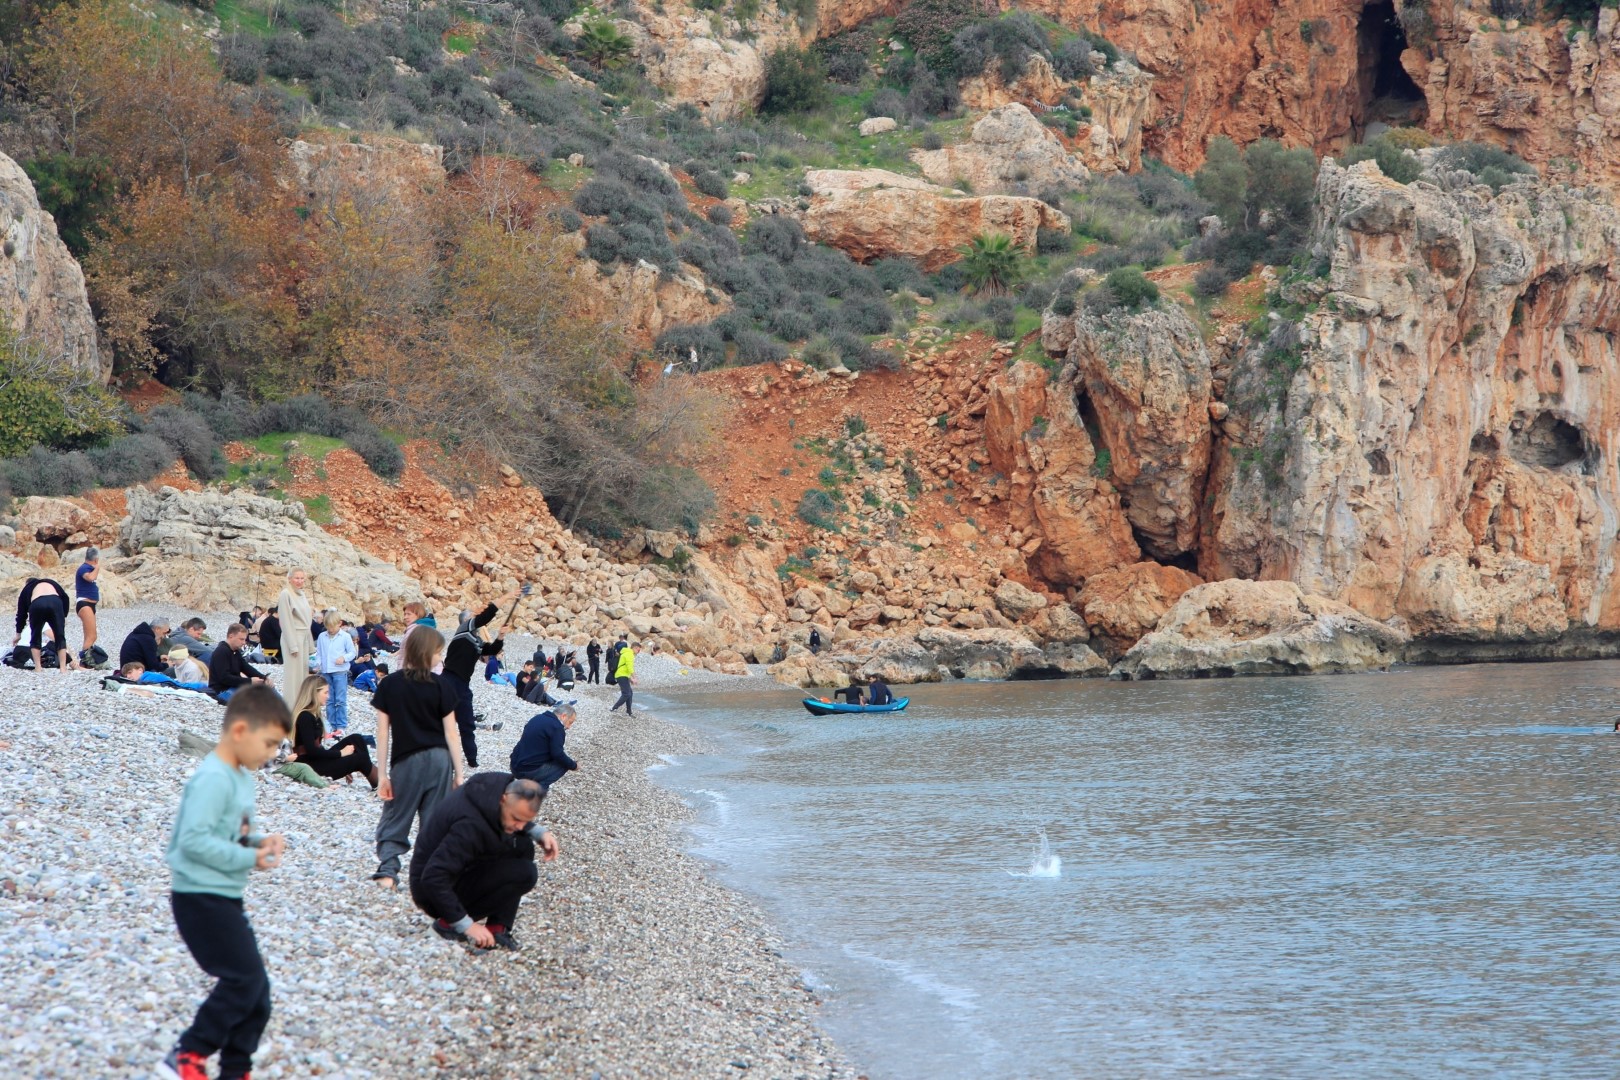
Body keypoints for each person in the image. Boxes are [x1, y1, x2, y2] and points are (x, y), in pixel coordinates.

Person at [157, 685, 290, 1080]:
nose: (271, 755)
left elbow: (231, 832)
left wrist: (257, 842)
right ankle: (187, 1053)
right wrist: (250, 857)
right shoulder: (213, 778)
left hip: (224, 896)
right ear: (239, 731)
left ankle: (236, 1069)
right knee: (242, 980)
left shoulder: (240, 776)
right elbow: (194, 842)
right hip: (199, 897)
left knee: (258, 994)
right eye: (268, 744)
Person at [409, 774, 558, 952]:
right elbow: (433, 877)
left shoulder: (492, 793)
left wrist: (537, 831)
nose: (520, 825)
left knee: (522, 844)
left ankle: (497, 928)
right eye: (517, 819)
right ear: (503, 799)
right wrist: (466, 925)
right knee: (525, 873)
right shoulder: (470, 824)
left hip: (457, 875)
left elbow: (514, 820)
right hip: (431, 893)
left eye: (525, 821)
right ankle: (447, 925)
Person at [371, 626, 463, 890]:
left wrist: (384, 776)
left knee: (397, 815)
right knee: (434, 821)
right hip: (439, 760)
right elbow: (451, 734)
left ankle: (388, 872)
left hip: (406, 760)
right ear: (427, 653)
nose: (440, 658)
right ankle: (432, 876)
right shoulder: (442, 686)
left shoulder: (390, 684)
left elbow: (382, 732)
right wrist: (459, 773)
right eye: (438, 652)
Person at [443, 597, 513, 770]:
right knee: (444, 723)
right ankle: (444, 758)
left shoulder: (476, 641)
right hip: (448, 680)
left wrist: (501, 637)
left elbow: (492, 651)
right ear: (466, 620)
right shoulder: (463, 629)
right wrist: (508, 596)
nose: (474, 618)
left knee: (467, 724)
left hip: (462, 685)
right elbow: (485, 617)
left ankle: (472, 760)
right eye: (471, 617)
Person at [289, 674, 377, 788]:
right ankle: (381, 784)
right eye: (325, 693)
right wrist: (341, 754)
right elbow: (311, 751)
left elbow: (317, 750)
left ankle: (376, 780)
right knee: (359, 758)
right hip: (309, 767)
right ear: (314, 693)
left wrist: (343, 762)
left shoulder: (313, 714)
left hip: (315, 760)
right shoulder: (305, 716)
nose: (328, 696)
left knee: (356, 739)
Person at [12, 577, 75, 675]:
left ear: (27, 584)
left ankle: (38, 667)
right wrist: (63, 615)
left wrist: (18, 634)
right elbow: (65, 598)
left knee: (35, 636)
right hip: (55, 601)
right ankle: (63, 669)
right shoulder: (51, 582)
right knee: (60, 636)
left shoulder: (27, 588)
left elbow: (21, 614)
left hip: (37, 604)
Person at [510, 704, 579, 791]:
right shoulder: (557, 727)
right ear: (564, 716)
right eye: (570, 722)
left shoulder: (537, 718)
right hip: (527, 771)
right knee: (564, 765)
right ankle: (537, 792)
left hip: (514, 765)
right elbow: (558, 754)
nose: (569, 727)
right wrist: (573, 765)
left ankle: (527, 787)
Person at [314, 613, 358, 737]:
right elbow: (319, 653)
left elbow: (352, 653)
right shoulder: (322, 636)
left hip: (340, 671)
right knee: (329, 699)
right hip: (326, 671)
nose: (330, 630)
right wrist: (318, 663)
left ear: (339, 624)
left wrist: (343, 658)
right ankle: (331, 724)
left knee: (340, 699)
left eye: (332, 627)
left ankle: (341, 725)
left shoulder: (345, 636)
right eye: (328, 627)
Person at [209, 625, 268, 703]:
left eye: (244, 639)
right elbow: (224, 678)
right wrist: (249, 681)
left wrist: (263, 678)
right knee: (258, 702)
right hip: (221, 691)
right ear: (231, 636)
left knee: (268, 693)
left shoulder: (235, 651)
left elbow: (246, 667)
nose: (244, 643)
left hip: (234, 687)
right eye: (241, 639)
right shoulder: (221, 652)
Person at [276, 569, 315, 682]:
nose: (299, 581)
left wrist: (310, 643)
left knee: (303, 673)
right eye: (296, 578)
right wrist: (292, 645)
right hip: (294, 637)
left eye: (302, 578)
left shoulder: (302, 594)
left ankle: (302, 699)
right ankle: (291, 699)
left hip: (304, 637)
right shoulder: (286, 594)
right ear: (290, 579)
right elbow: (285, 620)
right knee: (293, 675)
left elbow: (307, 621)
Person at [74, 547, 100, 660]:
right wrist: (97, 567)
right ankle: (85, 661)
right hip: (84, 604)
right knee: (92, 636)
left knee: (88, 636)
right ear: (96, 559)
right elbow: (90, 578)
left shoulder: (88, 568)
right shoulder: (84, 568)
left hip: (90, 605)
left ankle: (86, 659)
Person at [609, 639, 636, 718]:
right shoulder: (629, 654)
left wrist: (630, 678)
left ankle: (629, 711)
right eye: (638, 649)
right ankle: (614, 708)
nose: (639, 651)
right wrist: (634, 677)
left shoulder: (626, 653)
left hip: (623, 675)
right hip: (621, 675)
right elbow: (629, 667)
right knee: (626, 693)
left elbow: (626, 668)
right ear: (634, 648)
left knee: (629, 693)